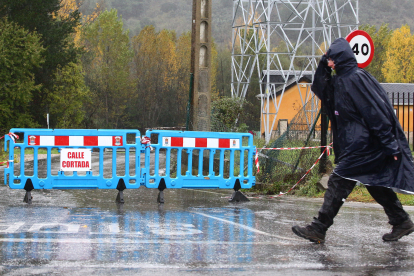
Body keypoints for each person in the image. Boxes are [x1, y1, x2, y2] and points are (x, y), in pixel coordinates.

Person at [292, 38, 414, 243]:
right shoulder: (340, 80)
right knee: (373, 181)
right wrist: (323, 62)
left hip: (366, 146)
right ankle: (401, 221)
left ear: (340, 59)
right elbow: (320, 87)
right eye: (328, 60)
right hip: (357, 144)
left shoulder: (356, 79)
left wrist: (391, 145)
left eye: (331, 59)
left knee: (338, 181)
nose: (329, 63)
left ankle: (319, 228)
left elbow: (376, 113)